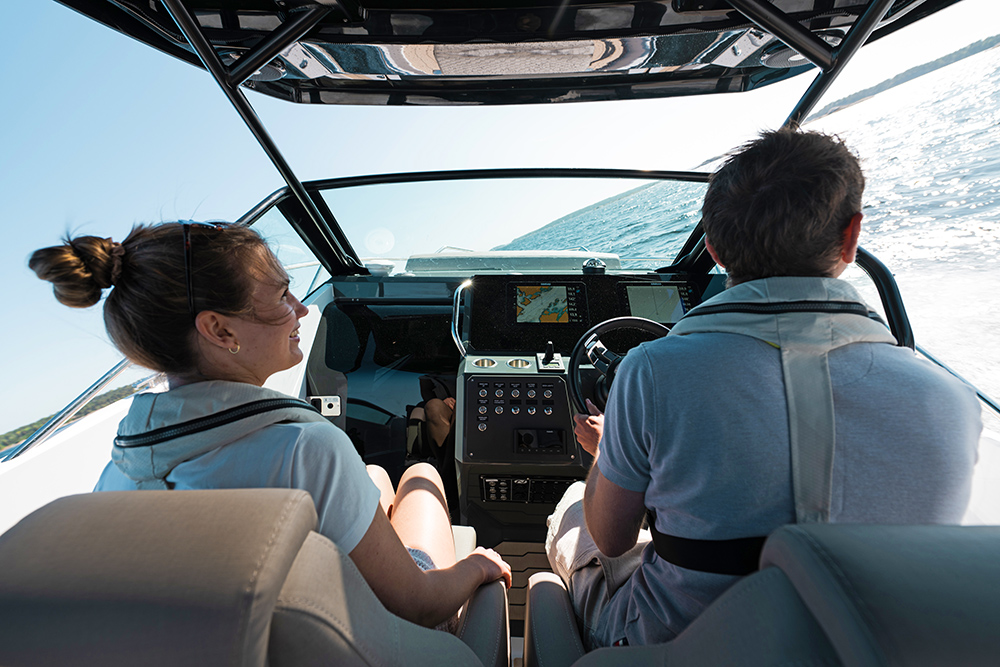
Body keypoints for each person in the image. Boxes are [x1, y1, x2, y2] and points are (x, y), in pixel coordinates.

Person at [547, 128, 982, 649]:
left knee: (574, 511)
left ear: (715, 249)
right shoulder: (952, 400)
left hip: (676, 642)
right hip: (869, 644)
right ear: (851, 236)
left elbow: (613, 538)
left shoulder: (650, 371)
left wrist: (603, 453)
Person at [30, 222, 510, 631]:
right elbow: (419, 605)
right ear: (221, 331)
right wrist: (477, 566)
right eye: (282, 295)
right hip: (383, 635)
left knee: (377, 478)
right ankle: (427, 462)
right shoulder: (305, 449)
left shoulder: (115, 477)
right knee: (421, 477)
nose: (302, 309)